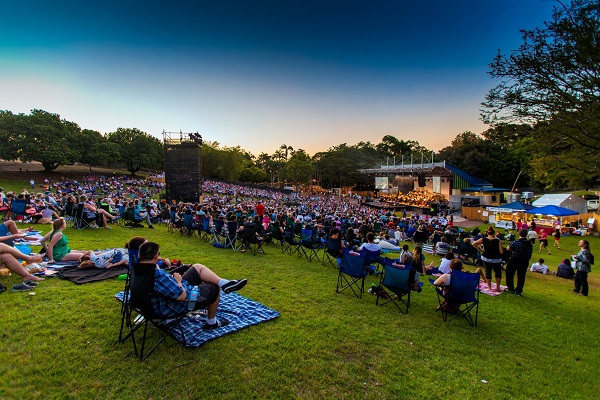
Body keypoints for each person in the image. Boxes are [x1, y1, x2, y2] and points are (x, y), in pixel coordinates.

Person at [135, 241, 247, 329]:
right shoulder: (157, 275)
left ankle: (225, 283)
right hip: (173, 306)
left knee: (197, 267)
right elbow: (182, 296)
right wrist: (178, 281)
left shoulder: (138, 269)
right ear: (155, 256)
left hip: (156, 302)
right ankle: (211, 322)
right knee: (214, 287)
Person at [472, 225, 504, 292]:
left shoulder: (483, 239)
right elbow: (501, 252)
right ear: (494, 233)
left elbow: (474, 244)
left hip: (486, 258)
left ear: (487, 232)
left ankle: (489, 287)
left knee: (488, 272)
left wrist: (480, 249)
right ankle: (497, 286)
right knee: (497, 272)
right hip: (496, 259)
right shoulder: (498, 241)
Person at [504, 229, 534, 295]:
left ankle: (510, 288)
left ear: (519, 234)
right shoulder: (529, 243)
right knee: (521, 276)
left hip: (515, 259)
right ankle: (519, 290)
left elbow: (509, 248)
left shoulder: (516, 242)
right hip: (525, 261)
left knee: (509, 273)